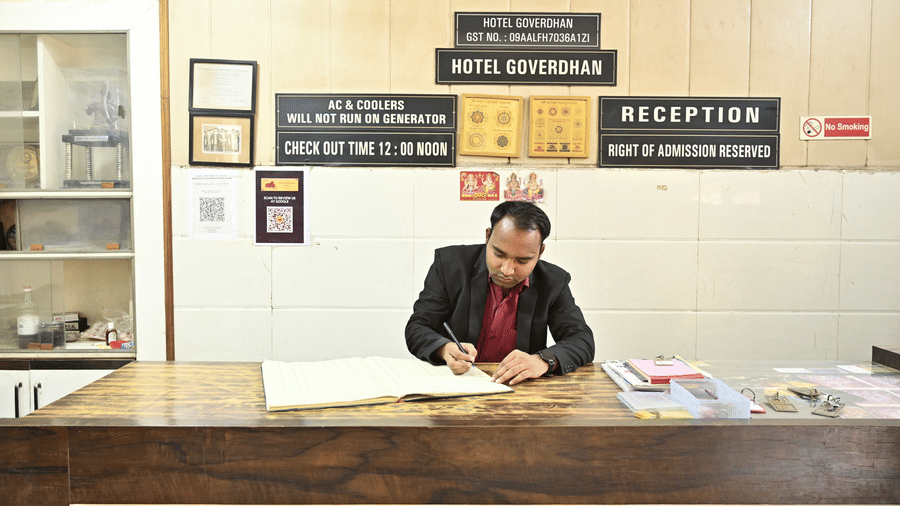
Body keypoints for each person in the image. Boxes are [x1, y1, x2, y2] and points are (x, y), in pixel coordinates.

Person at [405, 201, 594, 385]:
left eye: (522, 261)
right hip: (456, 384)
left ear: (540, 251)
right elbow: (418, 326)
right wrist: (444, 349)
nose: (507, 270)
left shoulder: (553, 281)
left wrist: (542, 361)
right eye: (499, 254)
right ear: (488, 236)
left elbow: (582, 340)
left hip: (518, 389)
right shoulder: (450, 265)